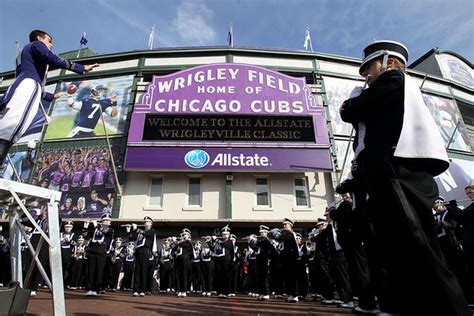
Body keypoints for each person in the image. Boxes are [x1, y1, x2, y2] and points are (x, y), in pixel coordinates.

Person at [339, 40, 470, 315]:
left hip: (398, 171)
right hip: (384, 173)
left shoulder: (394, 80)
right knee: (398, 251)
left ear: (388, 62)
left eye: (369, 67)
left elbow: (349, 111)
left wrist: (353, 100)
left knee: (418, 245)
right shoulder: (386, 87)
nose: (366, 75)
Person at [0, 30, 98, 162]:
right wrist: (80, 67)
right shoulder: (36, 45)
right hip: (28, 85)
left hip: (25, 86)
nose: (51, 45)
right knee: (15, 124)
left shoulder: (27, 54)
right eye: (49, 41)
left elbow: (36, 85)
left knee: (12, 124)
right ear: (40, 38)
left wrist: (52, 96)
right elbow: (50, 57)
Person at [83, 213, 114, 297]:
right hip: (92, 251)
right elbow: (85, 237)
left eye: (108, 221)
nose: (107, 222)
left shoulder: (110, 230)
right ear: (102, 221)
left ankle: (95, 289)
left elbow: (105, 232)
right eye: (105, 221)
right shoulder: (94, 229)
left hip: (101, 253)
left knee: (99, 271)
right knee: (90, 271)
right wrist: (85, 226)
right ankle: (89, 288)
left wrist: (97, 225)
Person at [269, 218, 299, 303]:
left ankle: (294, 295)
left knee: (292, 277)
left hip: (291, 258)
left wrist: (276, 234)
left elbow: (280, 238)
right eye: (283, 225)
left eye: (286, 224)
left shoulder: (290, 233)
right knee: (287, 277)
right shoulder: (285, 233)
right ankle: (290, 294)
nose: (284, 226)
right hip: (285, 258)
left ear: (290, 225)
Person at [126, 216, 157, 297]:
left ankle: (142, 289)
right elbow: (131, 238)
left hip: (145, 252)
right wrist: (129, 230)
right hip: (138, 252)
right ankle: (136, 290)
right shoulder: (140, 232)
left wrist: (137, 229)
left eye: (147, 222)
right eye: (144, 222)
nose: (145, 223)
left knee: (144, 271)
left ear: (150, 223)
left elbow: (147, 233)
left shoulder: (151, 231)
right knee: (137, 271)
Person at [207, 225, 234, 298]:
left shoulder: (229, 241)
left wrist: (217, 240)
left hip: (226, 262)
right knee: (218, 277)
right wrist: (209, 243)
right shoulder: (219, 242)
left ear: (228, 235)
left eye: (226, 234)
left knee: (225, 277)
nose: (225, 235)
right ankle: (219, 292)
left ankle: (225, 292)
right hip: (218, 261)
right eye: (223, 234)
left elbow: (226, 245)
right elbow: (214, 250)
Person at [173, 228, 193, 297]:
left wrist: (176, 242)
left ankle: (184, 290)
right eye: (183, 234)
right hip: (178, 261)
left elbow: (184, 244)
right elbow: (173, 248)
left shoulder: (188, 242)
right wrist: (174, 243)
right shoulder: (179, 243)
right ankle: (179, 290)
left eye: (185, 234)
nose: (183, 236)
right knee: (178, 276)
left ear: (188, 236)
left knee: (184, 275)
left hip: (185, 261)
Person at [60, 221, 76, 287]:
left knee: (69, 268)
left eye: (69, 227)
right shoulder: (61, 233)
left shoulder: (73, 234)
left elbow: (75, 244)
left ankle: (69, 283)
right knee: (61, 268)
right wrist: (62, 241)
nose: (68, 228)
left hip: (68, 251)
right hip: (61, 251)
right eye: (66, 227)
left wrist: (70, 241)